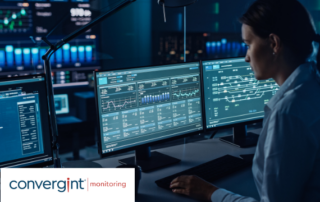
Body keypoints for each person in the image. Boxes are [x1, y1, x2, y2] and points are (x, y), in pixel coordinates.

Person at [170, 0, 320, 201]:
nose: (246, 57)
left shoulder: (288, 112)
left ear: (274, 43)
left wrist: (210, 192)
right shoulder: (312, 85)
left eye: (248, 44)